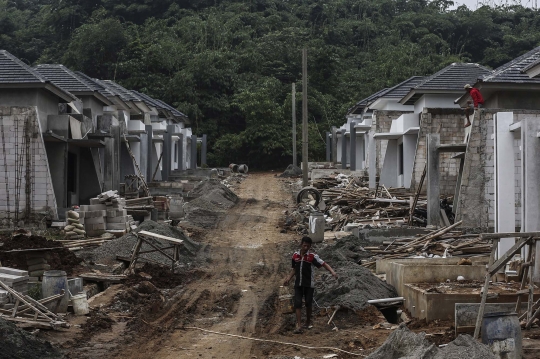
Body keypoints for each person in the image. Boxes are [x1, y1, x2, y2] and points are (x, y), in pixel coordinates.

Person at [283, 236, 338, 334]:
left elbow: (324, 264)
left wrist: (332, 272)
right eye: (304, 245)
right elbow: (294, 269)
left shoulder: (312, 257)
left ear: (310, 247)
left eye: (308, 246)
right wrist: (288, 278)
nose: (306, 248)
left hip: (309, 284)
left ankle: (308, 322)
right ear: (301, 244)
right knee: (298, 303)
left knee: (308, 303)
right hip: (298, 284)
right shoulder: (295, 256)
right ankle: (299, 325)